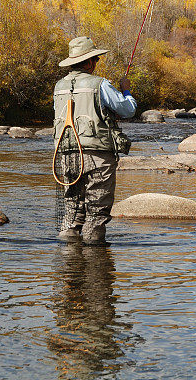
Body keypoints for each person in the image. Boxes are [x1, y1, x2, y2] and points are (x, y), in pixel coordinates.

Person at [54, 36, 137, 244]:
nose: (96, 63)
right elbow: (128, 110)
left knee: (73, 208)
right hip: (97, 155)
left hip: (65, 155)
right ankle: (96, 264)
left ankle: (68, 263)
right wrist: (126, 89)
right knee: (97, 209)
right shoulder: (100, 85)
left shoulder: (59, 87)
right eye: (96, 59)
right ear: (89, 62)